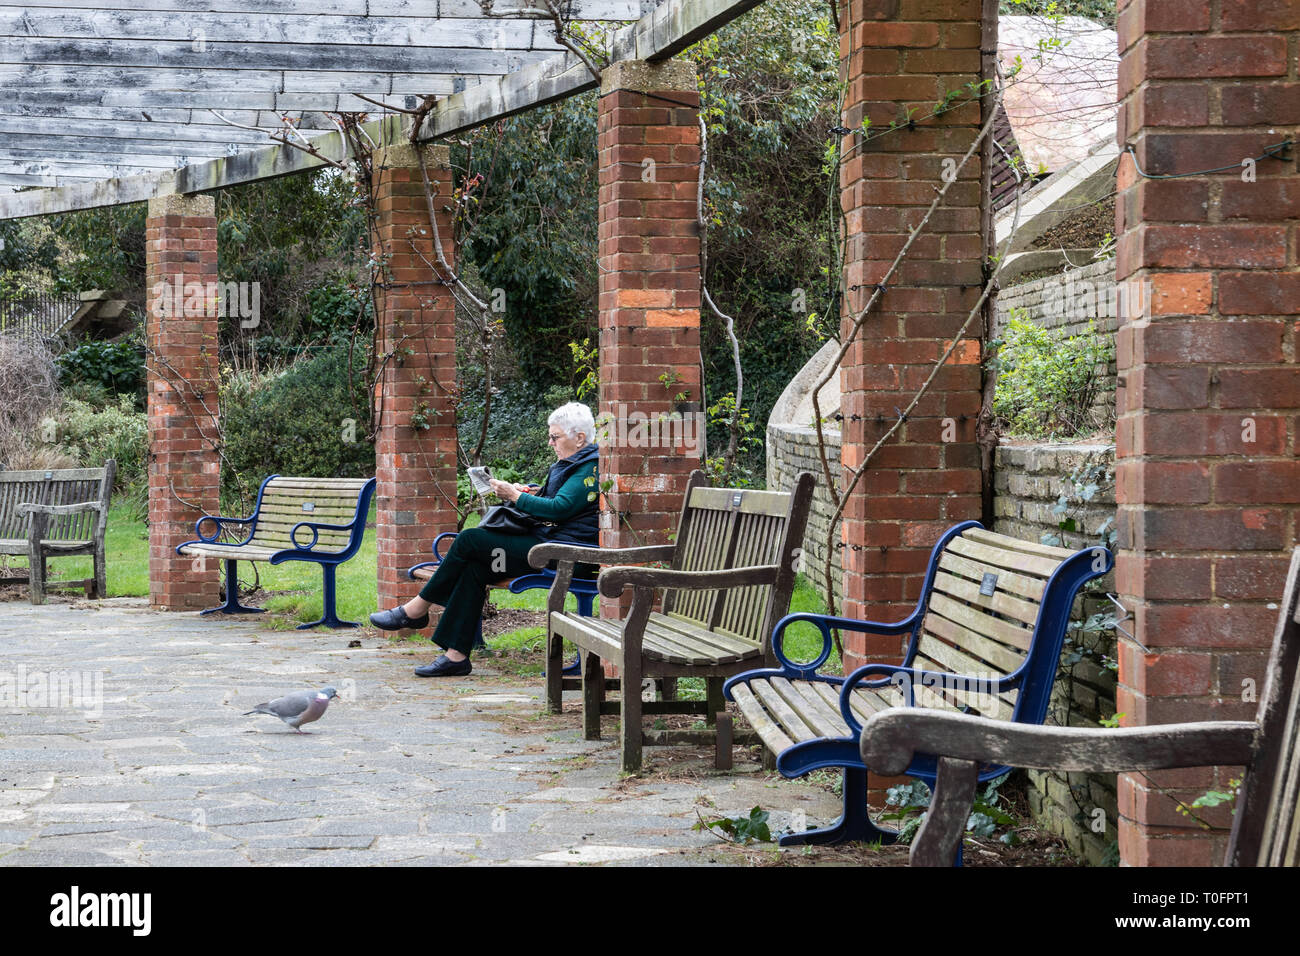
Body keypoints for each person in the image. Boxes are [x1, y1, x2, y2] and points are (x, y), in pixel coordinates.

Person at [369, 402, 600, 677]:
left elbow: (560, 508)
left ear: (580, 438)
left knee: (469, 540)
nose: (550, 443)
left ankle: (416, 609)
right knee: (476, 567)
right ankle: (456, 657)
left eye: (555, 437)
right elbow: (558, 500)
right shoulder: (575, 462)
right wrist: (528, 491)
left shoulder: (589, 468)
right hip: (548, 544)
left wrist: (514, 496)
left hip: (566, 553)